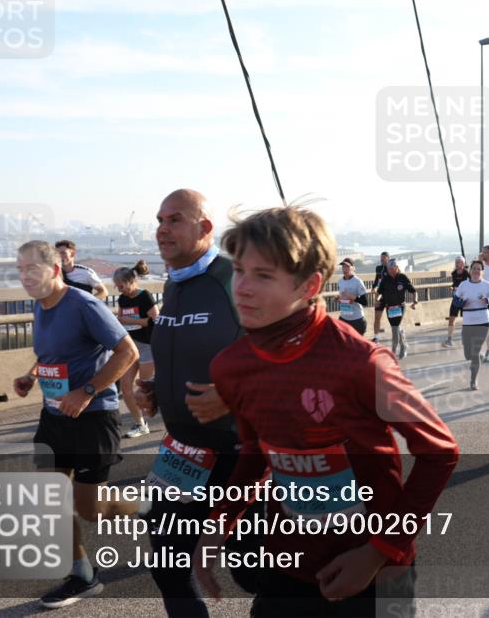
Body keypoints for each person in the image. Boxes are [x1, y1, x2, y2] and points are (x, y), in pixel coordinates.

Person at [193, 205, 460, 616]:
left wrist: (379, 550)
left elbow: (439, 452)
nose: (242, 288)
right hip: (287, 566)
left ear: (309, 285)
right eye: (239, 271)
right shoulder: (232, 366)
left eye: (263, 275)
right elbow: (257, 452)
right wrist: (218, 525)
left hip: (374, 570)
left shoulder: (360, 362)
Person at [133, 189, 253, 617]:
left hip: (239, 456)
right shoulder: (175, 283)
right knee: (168, 568)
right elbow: (191, 351)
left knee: (255, 573)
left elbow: (284, 357)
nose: (162, 229)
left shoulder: (235, 278)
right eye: (159, 220)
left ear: (205, 228)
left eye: (175, 220)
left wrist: (232, 395)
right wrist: (156, 389)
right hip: (182, 454)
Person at [12, 240, 141, 608]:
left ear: (54, 270)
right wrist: (31, 375)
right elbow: (51, 353)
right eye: (20, 270)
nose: (24, 277)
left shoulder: (85, 305)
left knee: (90, 510)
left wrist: (86, 392)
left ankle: (149, 508)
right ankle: (83, 575)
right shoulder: (40, 304)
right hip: (54, 417)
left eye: (32, 269)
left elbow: (127, 352)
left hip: (93, 417)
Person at [113, 261, 158, 438]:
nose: (119, 290)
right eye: (117, 287)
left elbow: (155, 320)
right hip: (131, 348)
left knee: (144, 389)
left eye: (121, 286)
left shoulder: (144, 296)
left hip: (147, 346)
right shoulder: (122, 299)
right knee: (126, 387)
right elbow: (120, 319)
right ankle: (140, 424)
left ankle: (170, 416)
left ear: (131, 282)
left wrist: (130, 320)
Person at [453, 260, 489, 389]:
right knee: (468, 355)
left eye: (479, 269)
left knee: (475, 351)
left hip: (483, 321)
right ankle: (479, 356)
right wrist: (461, 303)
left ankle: (473, 381)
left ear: (482, 272)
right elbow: (455, 301)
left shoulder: (487, 285)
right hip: (468, 322)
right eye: (474, 268)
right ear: (470, 271)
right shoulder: (463, 285)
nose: (476, 271)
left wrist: (487, 300)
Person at [376, 258, 418, 359]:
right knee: (396, 327)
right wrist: (376, 300)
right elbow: (379, 292)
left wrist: (415, 300)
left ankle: (393, 352)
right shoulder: (385, 279)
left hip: (400, 307)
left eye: (392, 268)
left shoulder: (402, 277)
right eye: (388, 269)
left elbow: (413, 291)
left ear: (397, 268)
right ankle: (404, 346)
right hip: (389, 308)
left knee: (395, 329)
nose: (390, 270)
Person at [336, 257, 369, 337]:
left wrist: (353, 297)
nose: (344, 269)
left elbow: (365, 302)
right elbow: (343, 297)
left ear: (353, 268)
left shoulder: (358, 281)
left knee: (358, 344)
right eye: (343, 267)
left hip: (356, 320)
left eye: (347, 266)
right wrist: (339, 299)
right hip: (344, 318)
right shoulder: (340, 281)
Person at [442, 256, 470, 348]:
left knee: (466, 319)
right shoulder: (454, 273)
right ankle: (449, 339)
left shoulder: (466, 273)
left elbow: (471, 283)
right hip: (456, 298)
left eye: (458, 262)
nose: (457, 264)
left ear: (463, 263)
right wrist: (452, 287)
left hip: (465, 299)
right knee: (451, 319)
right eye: (456, 262)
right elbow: (455, 284)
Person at [371, 252, 391, 343]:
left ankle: (398, 333)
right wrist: (373, 287)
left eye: (384, 258)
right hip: (380, 296)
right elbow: (377, 279)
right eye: (381, 258)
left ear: (388, 258)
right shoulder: (378, 268)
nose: (381, 259)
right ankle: (376, 338)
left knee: (392, 319)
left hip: (389, 296)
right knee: (377, 317)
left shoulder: (391, 268)